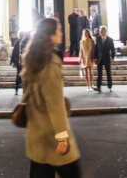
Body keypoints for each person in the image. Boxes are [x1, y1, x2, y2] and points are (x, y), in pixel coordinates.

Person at [20, 17, 81, 177]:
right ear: (50, 35)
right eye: (59, 30)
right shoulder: (51, 64)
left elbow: (28, 95)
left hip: (37, 133)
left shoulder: (34, 60)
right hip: (51, 136)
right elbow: (55, 104)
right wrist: (62, 136)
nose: (61, 33)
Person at [93, 25, 116, 93]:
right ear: (100, 32)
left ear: (106, 31)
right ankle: (98, 87)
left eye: (103, 31)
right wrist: (94, 57)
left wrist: (113, 57)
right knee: (99, 74)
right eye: (101, 31)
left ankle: (110, 86)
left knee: (108, 73)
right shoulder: (97, 39)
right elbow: (96, 49)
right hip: (100, 59)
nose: (102, 32)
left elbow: (113, 49)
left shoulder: (110, 40)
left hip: (107, 58)